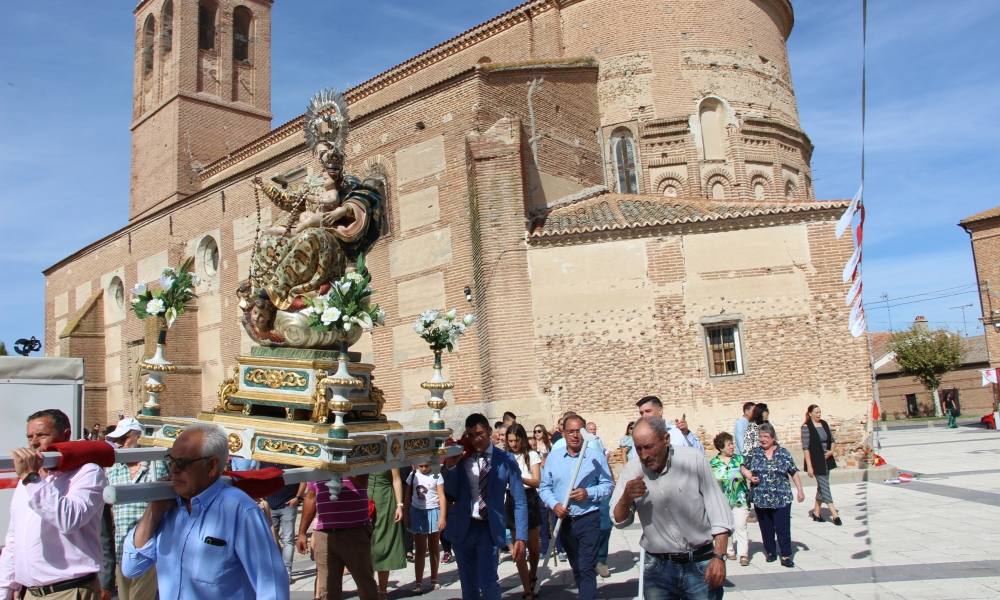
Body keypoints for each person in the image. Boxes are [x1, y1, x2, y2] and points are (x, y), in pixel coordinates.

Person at [123, 423, 289, 598]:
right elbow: (132, 567)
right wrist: (153, 511)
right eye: (171, 461)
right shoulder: (166, 508)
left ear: (211, 467)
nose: (174, 469)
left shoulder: (239, 511)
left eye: (182, 463)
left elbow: (272, 588)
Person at [611, 417, 732, 600]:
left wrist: (719, 557)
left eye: (649, 447)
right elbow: (618, 519)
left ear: (666, 439)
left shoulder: (693, 460)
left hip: (699, 562)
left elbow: (719, 512)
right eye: (638, 449)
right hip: (658, 569)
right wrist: (626, 498)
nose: (644, 455)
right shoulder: (632, 470)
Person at [0, 409, 108, 599]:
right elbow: (14, 540)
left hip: (68, 591)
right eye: (30, 436)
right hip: (30, 593)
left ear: (65, 434)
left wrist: (31, 478)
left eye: (41, 435)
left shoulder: (87, 472)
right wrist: (5, 590)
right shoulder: (29, 479)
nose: (34, 442)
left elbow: (68, 520)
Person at [443, 413, 528, 600]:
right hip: (463, 527)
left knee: (488, 581)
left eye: (480, 433)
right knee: (468, 583)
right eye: (471, 435)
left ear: (489, 431)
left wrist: (521, 535)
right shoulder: (463, 457)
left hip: (489, 528)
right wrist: (450, 467)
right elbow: (451, 491)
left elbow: (520, 500)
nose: (476, 439)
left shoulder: (505, 459)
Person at [539, 414, 613, 600]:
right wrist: (554, 504)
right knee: (577, 566)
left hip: (588, 517)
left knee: (587, 566)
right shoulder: (554, 458)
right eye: (570, 431)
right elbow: (544, 488)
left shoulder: (596, 457)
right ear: (563, 433)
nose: (575, 435)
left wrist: (588, 493)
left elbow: (608, 486)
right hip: (563, 520)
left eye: (579, 431)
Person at [105, 417, 168, 599]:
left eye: (123, 439)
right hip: (121, 548)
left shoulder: (156, 464)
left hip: (148, 549)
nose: (119, 444)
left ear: (136, 436)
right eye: (117, 440)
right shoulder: (113, 468)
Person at [298, 474, 378, 600]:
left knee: (366, 587)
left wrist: (340, 467)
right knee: (327, 591)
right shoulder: (317, 467)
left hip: (355, 531)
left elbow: (362, 482)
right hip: (324, 534)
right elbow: (311, 497)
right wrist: (302, 532)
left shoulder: (355, 459)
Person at [742, 422, 805, 568]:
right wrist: (750, 476)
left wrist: (800, 490)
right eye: (761, 437)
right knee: (766, 527)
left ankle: (786, 555)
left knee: (782, 527)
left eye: (766, 437)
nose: (763, 439)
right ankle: (770, 552)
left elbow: (793, 472)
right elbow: (743, 467)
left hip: (782, 497)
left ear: (773, 438)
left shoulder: (783, 453)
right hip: (761, 497)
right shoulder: (755, 453)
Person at [505, 424, 543, 599]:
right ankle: (527, 589)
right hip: (511, 500)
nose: (513, 444)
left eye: (516, 440)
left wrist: (517, 477)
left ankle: (533, 573)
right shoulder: (505, 457)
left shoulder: (532, 455)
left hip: (529, 499)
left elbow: (536, 481)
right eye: (510, 440)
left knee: (534, 547)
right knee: (519, 547)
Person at [403, 463, 446, 594]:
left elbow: (441, 495)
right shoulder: (413, 475)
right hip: (417, 511)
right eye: (420, 466)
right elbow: (407, 495)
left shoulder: (437, 474)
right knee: (420, 549)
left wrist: (442, 516)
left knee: (434, 547)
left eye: (426, 466)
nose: (423, 469)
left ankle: (434, 578)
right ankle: (418, 582)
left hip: (433, 510)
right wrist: (405, 513)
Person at [709, 432, 750, 567]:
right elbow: (710, 480)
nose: (732, 446)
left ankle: (743, 554)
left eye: (732, 444)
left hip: (740, 497)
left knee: (740, 525)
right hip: (722, 500)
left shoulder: (738, 459)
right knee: (727, 525)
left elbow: (744, 470)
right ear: (721, 448)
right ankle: (729, 550)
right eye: (729, 444)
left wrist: (750, 476)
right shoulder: (714, 463)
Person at [801, 405, 842, 526]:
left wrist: (831, 451)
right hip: (815, 460)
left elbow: (832, 440)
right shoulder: (806, 427)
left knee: (821, 486)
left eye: (820, 412)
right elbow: (805, 448)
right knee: (825, 485)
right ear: (810, 413)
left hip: (827, 459)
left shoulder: (824, 423)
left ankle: (816, 512)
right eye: (816, 412)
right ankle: (834, 514)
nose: (819, 414)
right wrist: (809, 466)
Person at [369, 469, 407, 598]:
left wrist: (399, 505)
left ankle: (382, 590)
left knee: (384, 542)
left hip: (385, 499)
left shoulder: (389, 451)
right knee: (365, 545)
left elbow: (396, 479)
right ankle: (368, 588)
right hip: (364, 497)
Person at [262, 469, 302, 579]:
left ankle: (287, 571)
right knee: (271, 539)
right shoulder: (264, 460)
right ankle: (278, 568)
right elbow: (259, 477)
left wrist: (297, 498)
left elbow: (303, 479)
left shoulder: (290, 459)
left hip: (288, 505)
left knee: (288, 540)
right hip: (270, 505)